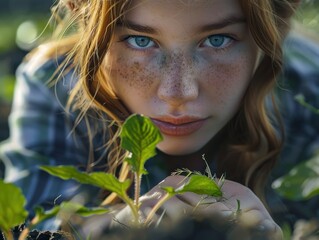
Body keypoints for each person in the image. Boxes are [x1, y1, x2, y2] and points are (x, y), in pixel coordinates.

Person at [0, 0, 310, 238]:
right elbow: (28, 223)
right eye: (140, 40)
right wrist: (115, 230)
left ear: (273, 30)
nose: (178, 92)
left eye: (218, 40)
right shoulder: (56, 86)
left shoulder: (309, 94)